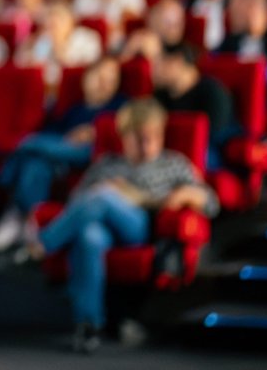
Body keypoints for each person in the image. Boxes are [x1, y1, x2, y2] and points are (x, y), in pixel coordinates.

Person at [30, 99, 217, 354]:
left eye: (154, 136)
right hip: (103, 228)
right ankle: (88, 325)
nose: (147, 145)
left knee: (103, 194)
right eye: (139, 138)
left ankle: (41, 246)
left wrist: (185, 194)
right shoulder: (107, 163)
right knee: (89, 236)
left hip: (141, 227)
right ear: (124, 137)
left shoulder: (173, 162)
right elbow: (78, 204)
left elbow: (211, 202)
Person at [0, 58, 125, 253]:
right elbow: (52, 134)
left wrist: (94, 130)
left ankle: (9, 175)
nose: (105, 84)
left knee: (33, 143)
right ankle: (30, 221)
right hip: (57, 157)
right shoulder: (73, 109)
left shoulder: (119, 105)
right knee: (36, 163)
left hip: (91, 152)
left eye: (111, 80)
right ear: (86, 79)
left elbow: (125, 129)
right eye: (100, 77)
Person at [151, 42, 236, 166]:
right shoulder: (160, 95)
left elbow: (216, 135)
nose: (153, 70)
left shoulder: (213, 92)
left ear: (177, 61)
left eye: (158, 63)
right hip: (170, 153)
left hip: (211, 153)